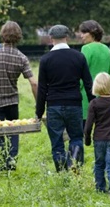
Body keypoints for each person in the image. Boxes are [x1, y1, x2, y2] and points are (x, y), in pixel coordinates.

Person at [0, 21, 37, 171]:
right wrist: (39, 103)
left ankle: (0, 164)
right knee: (13, 132)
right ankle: (11, 162)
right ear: (18, 36)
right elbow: (33, 82)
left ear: (2, 35)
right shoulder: (21, 57)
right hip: (12, 101)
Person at [35, 24, 94, 173]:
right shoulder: (79, 57)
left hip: (54, 106)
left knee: (57, 143)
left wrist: (39, 112)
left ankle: (62, 173)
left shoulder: (46, 59)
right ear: (67, 37)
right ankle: (75, 165)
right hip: (74, 104)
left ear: (51, 38)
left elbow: (42, 88)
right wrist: (94, 104)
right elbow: (88, 83)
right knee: (76, 138)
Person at [79, 20, 110, 127]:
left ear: (92, 33)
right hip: (104, 95)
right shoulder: (106, 49)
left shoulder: (86, 48)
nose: (81, 36)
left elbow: (82, 73)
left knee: (85, 129)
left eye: (84, 33)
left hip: (86, 96)